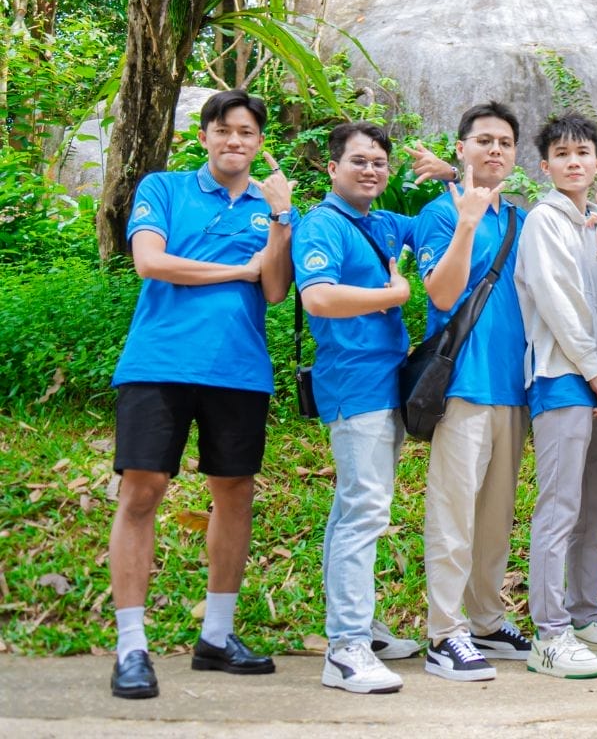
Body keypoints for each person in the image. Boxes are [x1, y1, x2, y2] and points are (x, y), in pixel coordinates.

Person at [105, 90, 293, 700]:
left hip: (238, 368)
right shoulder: (164, 188)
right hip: (158, 362)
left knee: (234, 493)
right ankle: (131, 646)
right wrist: (235, 270)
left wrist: (282, 218)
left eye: (247, 132)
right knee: (143, 489)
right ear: (206, 135)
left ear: (259, 142)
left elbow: (274, 290)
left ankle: (216, 635)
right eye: (224, 129)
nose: (235, 140)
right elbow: (151, 262)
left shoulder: (269, 204)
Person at [409, 104, 541, 682]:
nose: (495, 150)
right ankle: (445, 632)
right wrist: (465, 220)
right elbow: (441, 295)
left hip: (514, 387)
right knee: (453, 512)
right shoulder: (439, 213)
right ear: (460, 148)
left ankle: (486, 619)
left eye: (504, 142)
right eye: (483, 140)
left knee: (494, 516)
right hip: (463, 385)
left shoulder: (520, 219)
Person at [295, 122, 418, 695]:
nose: (370, 170)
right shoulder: (323, 224)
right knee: (366, 509)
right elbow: (318, 297)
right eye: (359, 161)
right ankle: (345, 648)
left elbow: (448, 217)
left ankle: (358, 630)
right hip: (354, 382)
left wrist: (449, 171)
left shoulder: (383, 223)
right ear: (332, 168)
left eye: (379, 162)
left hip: (387, 382)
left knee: (353, 507)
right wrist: (392, 296)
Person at [514, 113, 597, 681]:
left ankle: (583, 615)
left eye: (583, 153)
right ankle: (550, 633)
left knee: (594, 508)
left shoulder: (591, 227)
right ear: (545, 166)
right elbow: (557, 303)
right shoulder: (543, 221)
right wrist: (593, 372)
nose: (573, 162)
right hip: (563, 377)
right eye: (562, 154)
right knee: (558, 508)